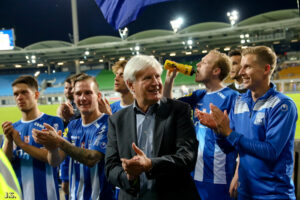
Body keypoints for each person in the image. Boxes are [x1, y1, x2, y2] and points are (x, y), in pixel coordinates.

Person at [197, 46, 297, 199]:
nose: (241, 72)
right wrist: (218, 132)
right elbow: (229, 148)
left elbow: (271, 151)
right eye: (241, 67)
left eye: (247, 67)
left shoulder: (282, 105)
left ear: (266, 69)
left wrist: (229, 132)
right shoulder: (239, 102)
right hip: (245, 192)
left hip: (273, 194)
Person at [105, 55, 200, 200]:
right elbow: (111, 167)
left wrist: (150, 164)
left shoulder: (179, 111)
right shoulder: (117, 120)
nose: (156, 83)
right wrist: (129, 176)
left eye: (157, 76)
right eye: (148, 78)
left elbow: (187, 157)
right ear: (131, 85)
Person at [164, 50, 238, 200]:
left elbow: (239, 138)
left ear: (216, 71)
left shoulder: (233, 97)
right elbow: (168, 106)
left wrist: (238, 173)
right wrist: (168, 81)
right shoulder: (198, 95)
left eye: (204, 62)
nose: (197, 64)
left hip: (219, 176)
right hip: (194, 173)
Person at [33, 74, 115, 200]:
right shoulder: (72, 125)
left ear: (98, 96)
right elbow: (55, 161)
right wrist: (52, 148)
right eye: (78, 94)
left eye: (88, 93)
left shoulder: (108, 123)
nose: (82, 98)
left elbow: (91, 158)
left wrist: (58, 141)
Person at [2, 75, 64, 200]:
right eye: (16, 94)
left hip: (47, 195)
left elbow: (54, 159)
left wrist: (22, 144)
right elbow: (5, 164)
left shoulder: (53, 122)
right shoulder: (14, 128)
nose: (19, 97)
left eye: (24, 92)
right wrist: (8, 141)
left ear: (36, 95)